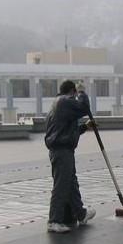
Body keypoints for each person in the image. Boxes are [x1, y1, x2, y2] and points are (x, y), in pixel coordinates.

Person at [44, 80, 97, 233]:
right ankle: (54, 221)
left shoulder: (58, 103)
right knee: (61, 185)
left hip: (62, 149)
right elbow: (84, 107)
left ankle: (81, 214)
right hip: (61, 150)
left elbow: (66, 130)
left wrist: (84, 127)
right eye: (75, 94)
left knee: (71, 183)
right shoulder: (65, 101)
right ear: (72, 91)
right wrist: (82, 92)